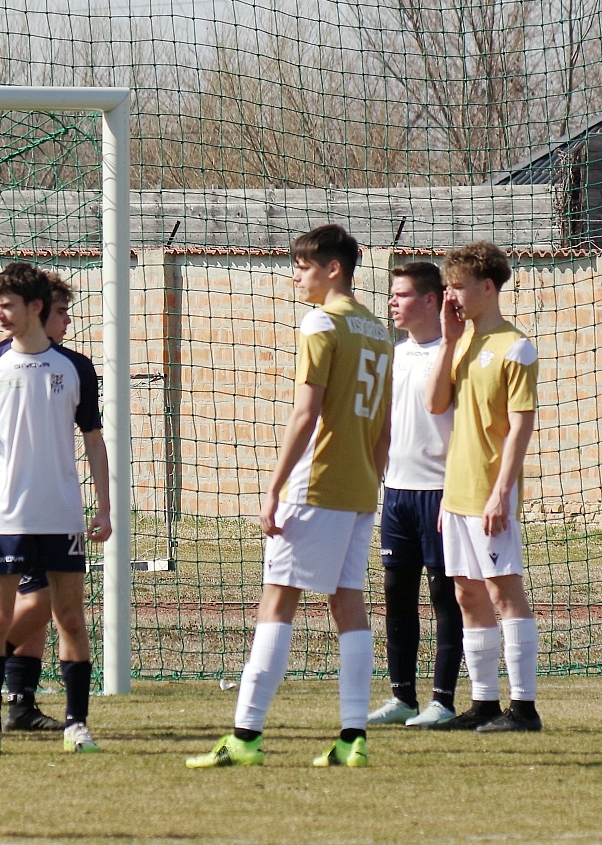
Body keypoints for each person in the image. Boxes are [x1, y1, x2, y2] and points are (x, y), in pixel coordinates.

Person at [188, 223, 391, 769]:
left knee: (277, 601)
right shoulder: (377, 330)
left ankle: (245, 735)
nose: (295, 277)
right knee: (348, 604)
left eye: (303, 268)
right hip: (358, 487)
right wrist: (371, 479)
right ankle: (353, 738)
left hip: (316, 482)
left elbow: (307, 413)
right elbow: (386, 425)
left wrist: (274, 487)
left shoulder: (322, 322)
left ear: (333, 269)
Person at [0, 261, 112, 756]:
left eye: (7, 306)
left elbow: (94, 440)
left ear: (34, 307)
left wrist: (104, 506)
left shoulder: (75, 368)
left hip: (61, 514)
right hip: (5, 515)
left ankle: (77, 725)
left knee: (71, 619)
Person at [425, 241, 543, 733]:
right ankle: (484, 703)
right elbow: (435, 404)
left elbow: (520, 427)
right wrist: (447, 341)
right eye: (447, 286)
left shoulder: (516, 346)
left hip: (492, 492)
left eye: (457, 286)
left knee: (503, 591)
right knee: (467, 595)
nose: (450, 295)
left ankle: (524, 708)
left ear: (488, 287)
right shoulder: (463, 342)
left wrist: (500, 493)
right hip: (457, 494)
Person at [366, 261, 464, 729]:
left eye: (401, 294)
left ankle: (443, 701)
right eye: (392, 293)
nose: (392, 301)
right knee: (396, 594)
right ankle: (402, 696)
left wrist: (456, 491)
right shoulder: (395, 354)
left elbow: (465, 429)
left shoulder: (454, 354)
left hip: (442, 493)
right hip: (398, 494)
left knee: (446, 596)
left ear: (430, 300)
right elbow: (385, 424)